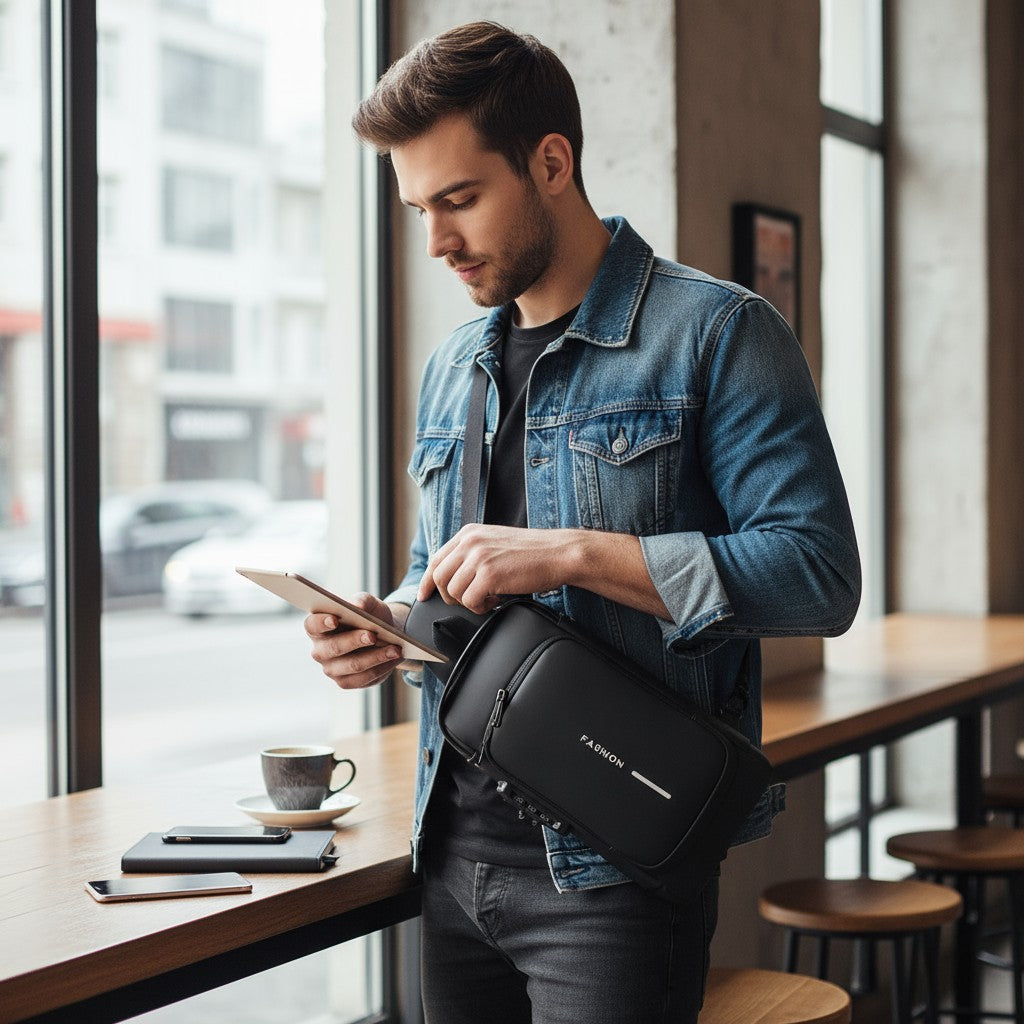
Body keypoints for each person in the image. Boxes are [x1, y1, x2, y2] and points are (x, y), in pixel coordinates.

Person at [306, 20, 860, 1024]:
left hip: (612, 876)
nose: (435, 241)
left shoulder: (719, 334)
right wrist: (383, 625)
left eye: (460, 200)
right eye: (419, 208)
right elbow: (446, 575)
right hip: (449, 856)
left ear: (551, 161)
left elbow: (819, 575)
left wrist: (569, 554)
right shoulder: (449, 370)